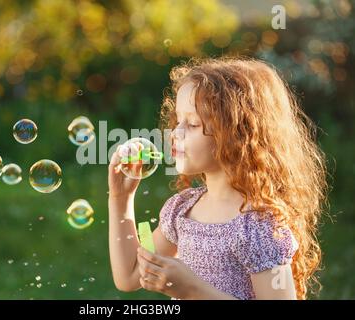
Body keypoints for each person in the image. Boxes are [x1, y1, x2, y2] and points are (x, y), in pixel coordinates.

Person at [108, 57, 328, 300]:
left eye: (192, 124)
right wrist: (120, 199)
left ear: (237, 134)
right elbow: (129, 276)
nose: (176, 133)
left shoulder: (259, 228)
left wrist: (192, 290)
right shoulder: (182, 210)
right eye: (177, 120)